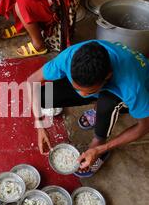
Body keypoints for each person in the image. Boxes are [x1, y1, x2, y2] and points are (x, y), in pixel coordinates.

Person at [27, 40, 149, 177]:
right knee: (44, 96)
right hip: (102, 83)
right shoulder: (69, 57)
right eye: (77, 88)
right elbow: (32, 81)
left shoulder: (132, 86)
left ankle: (99, 142)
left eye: (89, 92)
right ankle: (97, 104)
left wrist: (100, 149)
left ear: (107, 77)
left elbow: (144, 126)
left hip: (131, 89)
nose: (82, 96)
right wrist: (40, 125)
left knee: (107, 101)